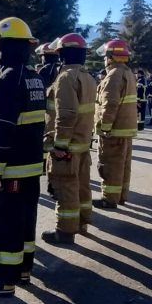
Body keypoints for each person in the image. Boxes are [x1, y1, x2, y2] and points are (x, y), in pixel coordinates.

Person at [0, 17, 45, 296]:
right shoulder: (35, 78)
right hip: (31, 166)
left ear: (4, 47)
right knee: (26, 219)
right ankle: (23, 270)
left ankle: (3, 279)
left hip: (11, 169)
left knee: (4, 222)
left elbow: (2, 129)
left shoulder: (8, 78)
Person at [40, 33, 96, 245]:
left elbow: (67, 114)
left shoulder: (65, 78)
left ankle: (65, 231)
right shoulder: (88, 77)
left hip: (68, 146)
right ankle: (81, 222)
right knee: (82, 186)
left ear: (62, 55)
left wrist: (59, 145)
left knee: (66, 187)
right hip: (81, 144)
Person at [92, 39, 138, 209]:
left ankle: (109, 198)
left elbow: (110, 104)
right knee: (123, 166)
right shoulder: (127, 72)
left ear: (111, 57)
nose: (104, 60)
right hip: (125, 130)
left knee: (110, 165)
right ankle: (120, 195)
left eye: (106, 56)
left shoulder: (113, 75)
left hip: (114, 130)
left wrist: (104, 127)